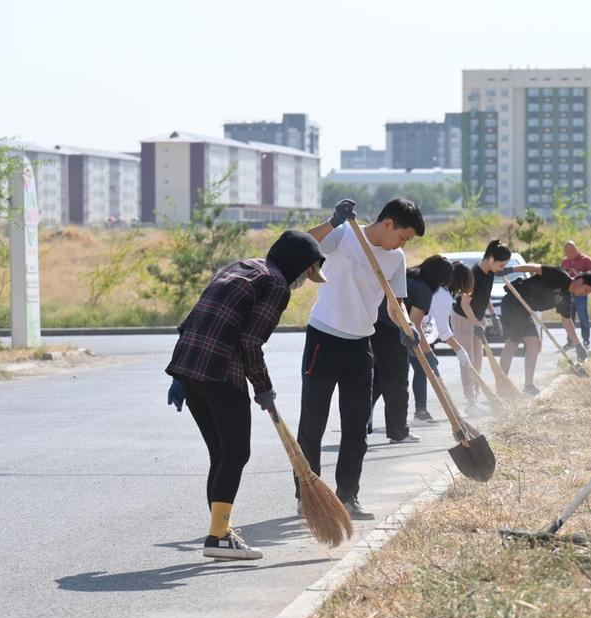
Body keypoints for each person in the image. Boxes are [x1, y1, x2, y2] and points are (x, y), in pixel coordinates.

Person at [166, 230, 327, 561]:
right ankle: (220, 536)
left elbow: (193, 317)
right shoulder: (276, 285)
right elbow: (251, 342)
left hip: (190, 368)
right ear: (299, 266)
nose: (302, 282)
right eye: (307, 273)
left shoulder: (239, 266)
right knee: (236, 454)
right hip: (221, 372)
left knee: (221, 455)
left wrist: (180, 376)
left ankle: (219, 533)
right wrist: (263, 387)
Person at [296, 198, 424, 521]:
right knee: (313, 422)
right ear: (388, 224)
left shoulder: (395, 259)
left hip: (359, 345)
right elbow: (302, 246)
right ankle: (307, 495)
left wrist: (407, 329)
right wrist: (332, 220)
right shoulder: (345, 235)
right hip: (323, 338)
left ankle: (348, 496)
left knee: (356, 426)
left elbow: (396, 306)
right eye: (403, 236)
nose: (402, 244)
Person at [370, 254, 454, 442]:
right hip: (394, 334)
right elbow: (413, 326)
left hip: (374, 328)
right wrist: (428, 353)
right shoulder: (424, 290)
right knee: (398, 384)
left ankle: (362, 421)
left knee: (377, 380)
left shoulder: (407, 277)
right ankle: (399, 433)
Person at [498, 263, 591, 396]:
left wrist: (578, 345)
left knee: (534, 344)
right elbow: (534, 268)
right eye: (585, 290)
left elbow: (566, 321)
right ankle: (501, 384)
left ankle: (528, 385)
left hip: (525, 310)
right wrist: (509, 270)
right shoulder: (559, 275)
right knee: (513, 342)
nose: (583, 294)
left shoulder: (566, 298)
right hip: (514, 301)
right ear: (580, 281)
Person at [411, 261, 475, 424]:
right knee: (419, 370)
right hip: (414, 332)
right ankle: (420, 413)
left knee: (419, 371)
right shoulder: (443, 296)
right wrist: (460, 350)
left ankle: (421, 412)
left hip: (418, 332)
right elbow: (444, 330)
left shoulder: (440, 292)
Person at [452, 240, 511, 413]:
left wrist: (493, 315)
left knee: (478, 361)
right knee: (467, 362)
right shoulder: (474, 275)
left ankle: (476, 398)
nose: (502, 268)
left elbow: (485, 297)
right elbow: (464, 304)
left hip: (477, 319)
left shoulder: (491, 273)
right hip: (463, 320)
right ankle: (470, 402)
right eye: (501, 264)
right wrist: (476, 324)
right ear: (491, 259)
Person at [560, 240, 591, 349]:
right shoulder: (564, 262)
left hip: (581, 294)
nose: (568, 254)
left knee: (583, 317)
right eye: (566, 252)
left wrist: (578, 274)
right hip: (568, 294)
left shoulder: (586, 260)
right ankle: (570, 341)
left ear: (575, 250)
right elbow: (560, 276)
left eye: (571, 251)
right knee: (568, 318)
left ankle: (586, 340)